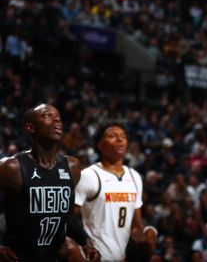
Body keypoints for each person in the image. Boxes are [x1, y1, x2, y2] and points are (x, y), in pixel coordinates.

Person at [0, 104, 98, 261]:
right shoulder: (12, 167)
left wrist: (85, 242)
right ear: (30, 128)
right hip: (19, 256)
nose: (57, 120)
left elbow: (68, 214)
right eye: (47, 116)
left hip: (54, 256)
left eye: (58, 117)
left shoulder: (72, 167)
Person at [74, 122, 157, 261]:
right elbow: (69, 218)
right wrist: (83, 247)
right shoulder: (89, 175)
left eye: (123, 136)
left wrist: (147, 232)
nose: (120, 140)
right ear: (99, 145)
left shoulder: (134, 176)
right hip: (94, 257)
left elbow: (136, 226)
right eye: (112, 136)